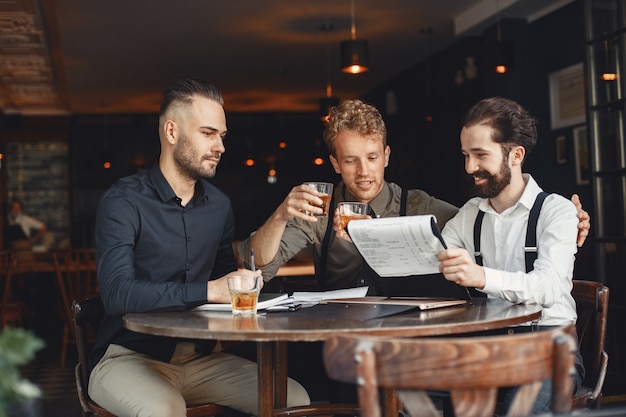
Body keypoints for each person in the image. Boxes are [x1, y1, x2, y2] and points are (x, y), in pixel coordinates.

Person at [90, 78, 310, 417]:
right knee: (163, 409)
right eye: (208, 133)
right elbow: (117, 294)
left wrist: (245, 285)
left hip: (202, 361)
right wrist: (210, 291)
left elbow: (226, 282)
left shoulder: (219, 205)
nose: (220, 146)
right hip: (129, 357)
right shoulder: (123, 201)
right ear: (171, 132)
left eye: (222, 136)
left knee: (293, 400)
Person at [240, 99, 590, 295]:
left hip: (405, 337)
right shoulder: (317, 205)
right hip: (337, 337)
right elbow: (257, 267)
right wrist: (282, 214)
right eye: (350, 160)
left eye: (372, 158)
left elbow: (486, 228)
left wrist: (561, 220)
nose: (363, 171)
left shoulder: (427, 207)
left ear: (387, 156)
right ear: (335, 164)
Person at [437, 96, 584, 414]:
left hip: (551, 347)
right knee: (429, 395)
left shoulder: (556, 210)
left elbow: (549, 287)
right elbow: (431, 253)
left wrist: (481, 276)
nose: (469, 168)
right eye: (465, 155)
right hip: (492, 346)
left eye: (480, 155)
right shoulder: (470, 213)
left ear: (516, 155)